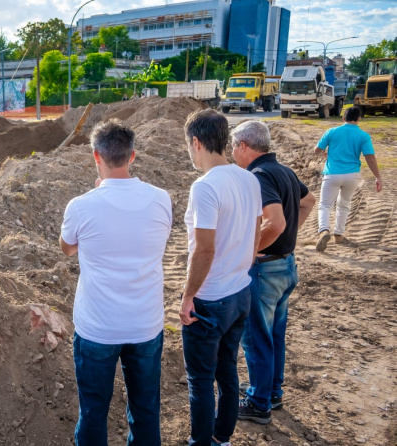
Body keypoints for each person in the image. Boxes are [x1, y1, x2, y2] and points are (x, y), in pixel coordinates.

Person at [60, 119, 172, 446]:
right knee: (146, 411)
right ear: (132, 155)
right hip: (145, 326)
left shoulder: (81, 207)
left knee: (93, 411)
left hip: (97, 328)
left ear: (96, 156)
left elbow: (67, 248)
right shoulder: (161, 199)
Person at [180, 109, 262, 446]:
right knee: (227, 370)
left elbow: (203, 250)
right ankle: (222, 438)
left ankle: (201, 442)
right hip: (241, 291)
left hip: (210, 299)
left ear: (197, 142)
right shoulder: (249, 178)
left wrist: (187, 297)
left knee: (200, 380)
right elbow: (256, 232)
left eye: (189, 145)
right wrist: (241, 265)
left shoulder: (205, 187)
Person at [231, 121, 316, 424]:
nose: (231, 153)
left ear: (243, 145)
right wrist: (286, 238)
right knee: (274, 335)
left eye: (233, 146)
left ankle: (258, 402)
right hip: (286, 265)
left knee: (255, 338)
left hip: (265, 270)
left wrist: (250, 250)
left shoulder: (259, 175)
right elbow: (308, 201)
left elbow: (275, 222)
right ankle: (271, 391)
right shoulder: (284, 170)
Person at [314, 106, 382, 252]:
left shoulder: (332, 132)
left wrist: (326, 154)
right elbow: (369, 157)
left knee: (325, 205)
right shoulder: (363, 136)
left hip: (332, 174)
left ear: (343, 118)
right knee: (344, 204)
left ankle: (324, 230)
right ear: (359, 119)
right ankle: (338, 235)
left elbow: (317, 150)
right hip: (352, 175)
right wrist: (377, 177)